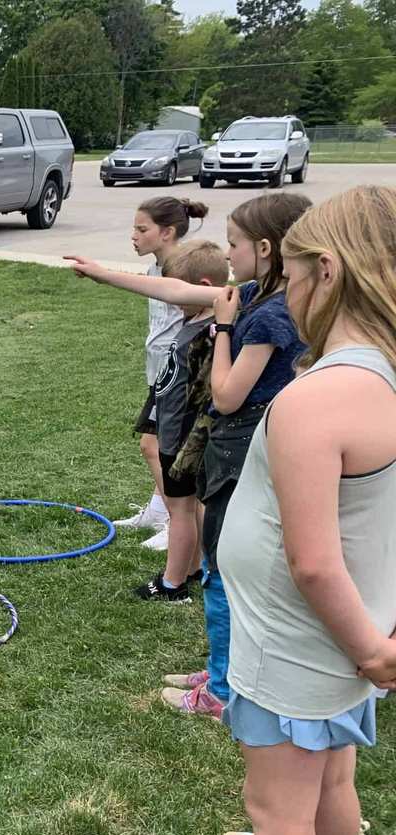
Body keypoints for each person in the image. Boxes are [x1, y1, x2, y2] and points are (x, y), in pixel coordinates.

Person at [144, 185, 396, 835]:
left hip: (304, 639)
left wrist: (370, 650)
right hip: (346, 637)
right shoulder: (377, 377)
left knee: (277, 809)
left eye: (289, 272)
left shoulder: (318, 396)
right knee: (329, 785)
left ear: (329, 271)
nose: (282, 291)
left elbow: (313, 560)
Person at [66, 192, 310, 718]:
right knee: (226, 562)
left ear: (265, 249)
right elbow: (176, 287)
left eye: (234, 243)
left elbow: (227, 395)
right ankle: (227, 668)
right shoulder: (258, 294)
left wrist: (222, 329)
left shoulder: (270, 314)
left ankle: (222, 689)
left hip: (244, 447)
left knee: (223, 567)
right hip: (237, 445)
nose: (227, 253)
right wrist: (104, 275)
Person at [131, 239, 227, 603]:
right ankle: (194, 567)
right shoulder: (195, 319)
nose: (173, 301)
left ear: (203, 287)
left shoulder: (211, 331)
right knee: (189, 507)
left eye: (178, 291)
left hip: (185, 438)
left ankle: (172, 585)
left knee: (181, 510)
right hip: (174, 430)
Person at [113, 196, 210, 554]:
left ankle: (176, 521)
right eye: (134, 228)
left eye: (142, 229)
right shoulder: (156, 267)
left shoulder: (183, 270)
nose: (134, 236)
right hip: (160, 373)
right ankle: (157, 512)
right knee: (161, 445)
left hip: (178, 376)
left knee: (153, 446)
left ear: (167, 232)